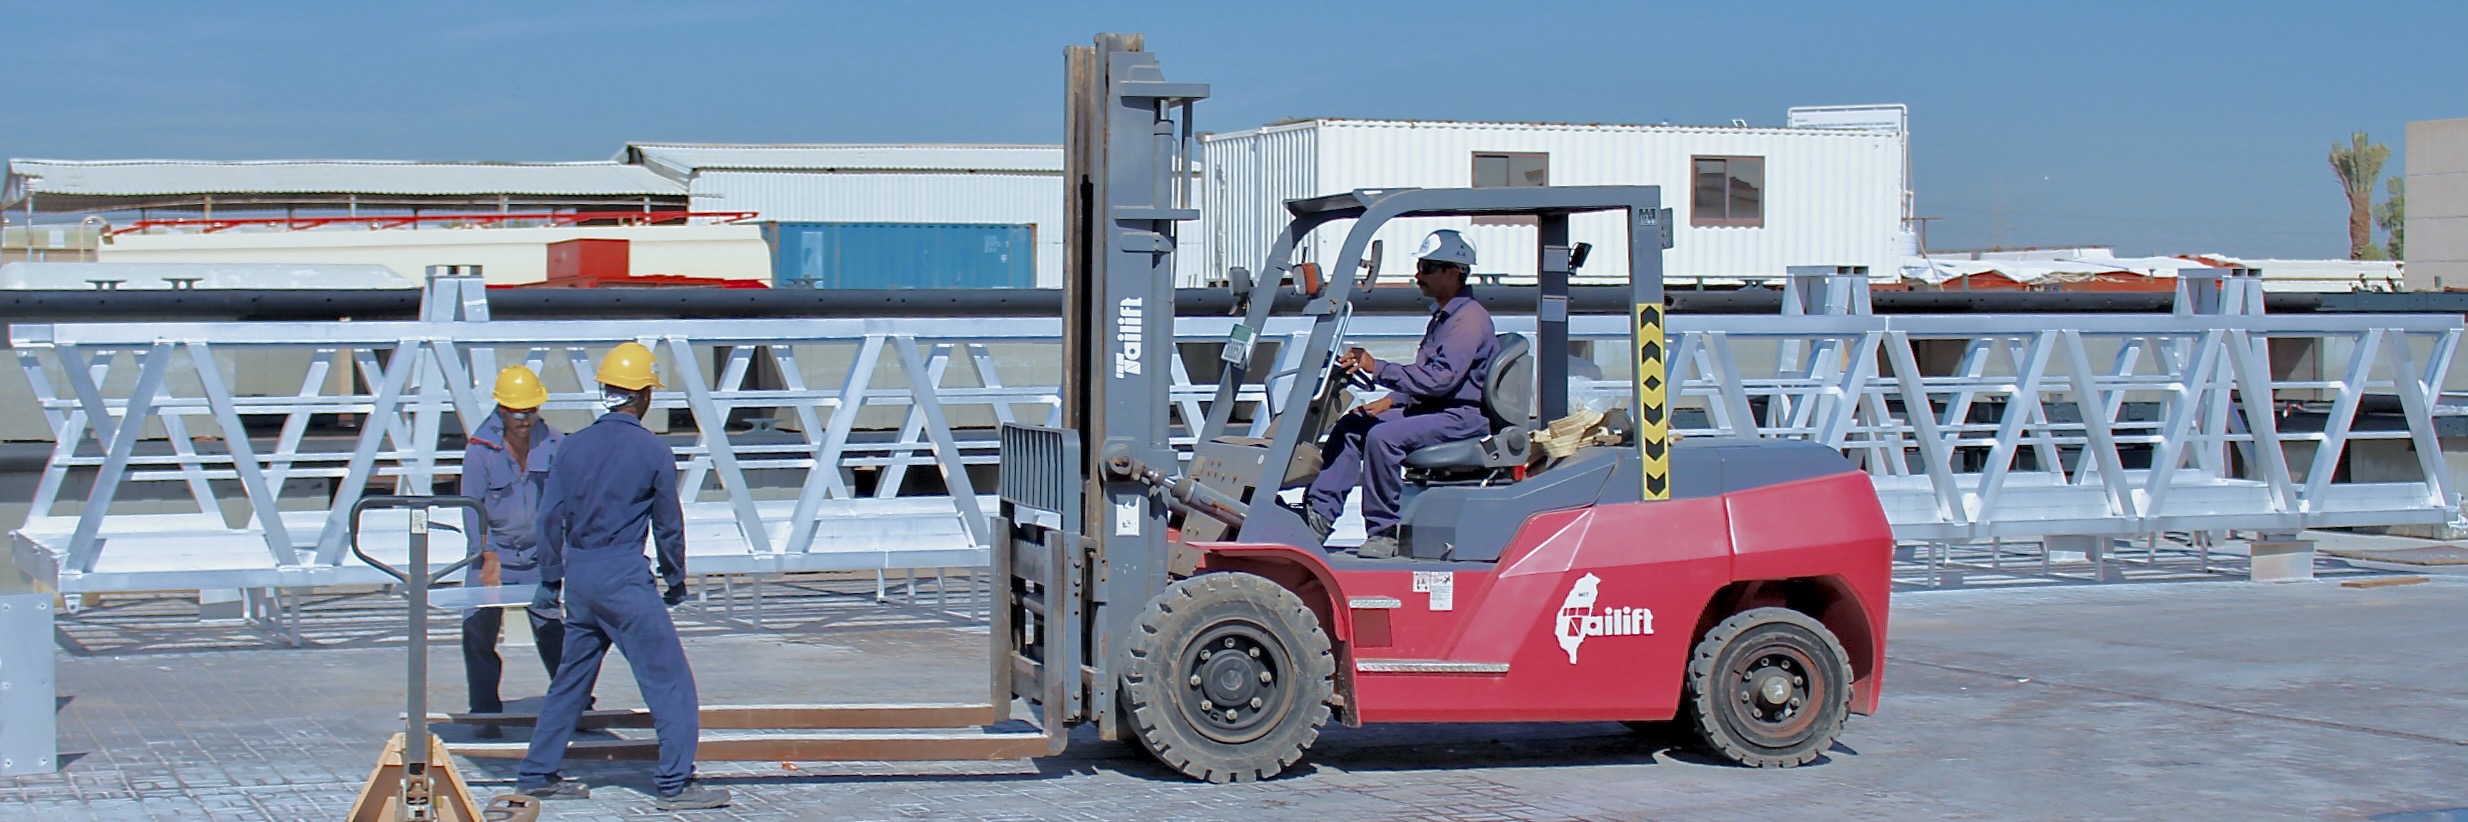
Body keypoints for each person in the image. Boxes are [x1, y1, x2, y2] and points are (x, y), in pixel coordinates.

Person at [515, 342, 727, 811]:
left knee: (571, 681)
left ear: (608, 391)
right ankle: (675, 784)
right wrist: (675, 580)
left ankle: (536, 774)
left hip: (582, 578)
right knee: (669, 682)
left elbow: (550, 518)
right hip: (625, 577)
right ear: (643, 396)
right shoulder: (653, 450)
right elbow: (668, 526)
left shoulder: (569, 446)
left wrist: (551, 581)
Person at [1302, 230, 1500, 559]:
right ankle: (1318, 517)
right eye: (1420, 265)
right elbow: (1432, 381)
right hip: (1438, 409)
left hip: (1462, 417)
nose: (1418, 274)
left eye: (1427, 267)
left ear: (1454, 271)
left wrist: (1376, 367)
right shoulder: (1445, 317)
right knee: (1353, 426)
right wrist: (1390, 401)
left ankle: (1383, 531)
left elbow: (1439, 381)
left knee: (1383, 437)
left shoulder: (1467, 321)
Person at [460, 366, 566, 723]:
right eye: (518, 412)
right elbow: (472, 508)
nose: (525, 420)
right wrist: (486, 556)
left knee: (553, 628)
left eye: (532, 411)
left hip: (539, 555)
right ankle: (485, 711)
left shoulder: (554, 442)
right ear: (502, 410)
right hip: (494, 554)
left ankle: (575, 703)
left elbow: (566, 499)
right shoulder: (480, 451)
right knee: (477, 628)